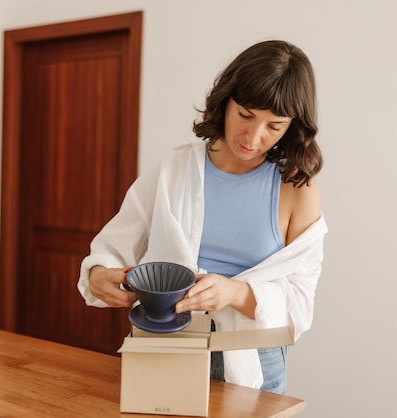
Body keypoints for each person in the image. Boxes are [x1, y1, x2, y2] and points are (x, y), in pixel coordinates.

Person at [78, 39, 328, 395]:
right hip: (165, 343)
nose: (254, 137)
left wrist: (233, 293)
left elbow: (301, 304)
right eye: (245, 115)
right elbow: (111, 249)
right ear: (225, 101)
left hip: (253, 359)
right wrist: (100, 274)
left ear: (293, 125)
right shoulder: (173, 170)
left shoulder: (297, 188)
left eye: (275, 126)